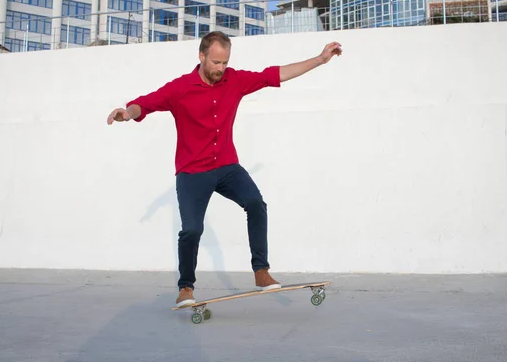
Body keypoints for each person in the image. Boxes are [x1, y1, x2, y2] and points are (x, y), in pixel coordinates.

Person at [107, 31, 342, 307]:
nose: (221, 69)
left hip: (226, 165)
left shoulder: (235, 80)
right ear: (202, 56)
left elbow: (274, 75)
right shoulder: (180, 88)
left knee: (255, 203)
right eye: (216, 62)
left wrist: (320, 59)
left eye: (225, 63)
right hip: (192, 170)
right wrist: (126, 113)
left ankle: (261, 271)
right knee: (192, 230)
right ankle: (186, 287)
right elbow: (144, 104)